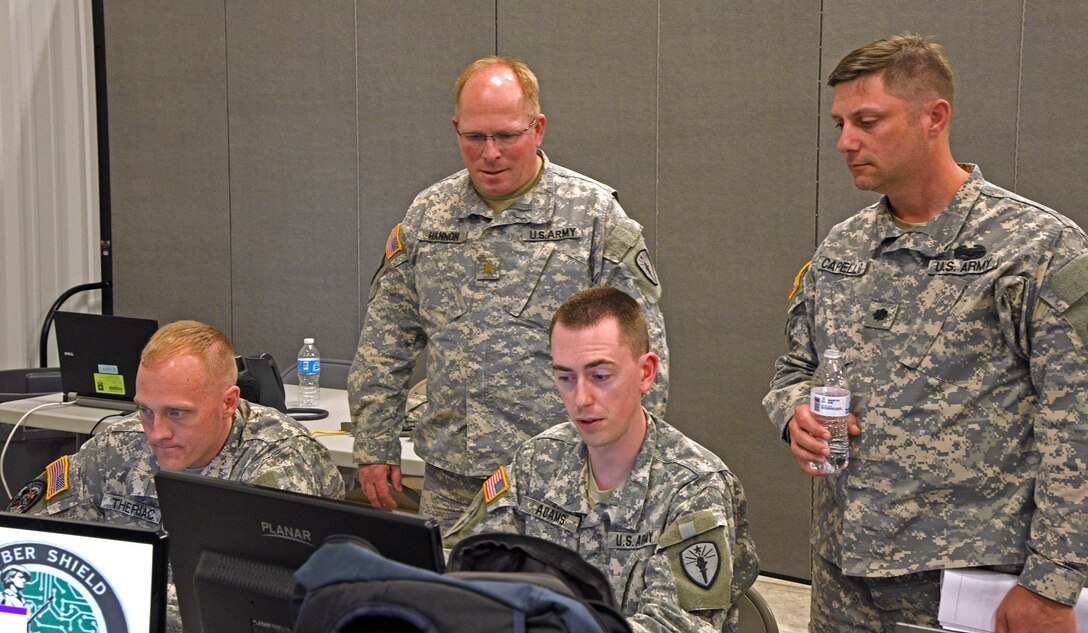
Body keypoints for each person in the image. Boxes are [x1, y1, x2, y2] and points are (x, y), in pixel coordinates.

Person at [763, 34, 1088, 633]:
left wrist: (1053, 581)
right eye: (839, 123)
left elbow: (1078, 422)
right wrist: (795, 414)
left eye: (867, 121)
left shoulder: (1035, 249)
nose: (845, 143)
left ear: (934, 117)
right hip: (843, 576)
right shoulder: (841, 248)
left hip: (967, 582)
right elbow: (794, 369)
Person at [350, 56, 669, 531]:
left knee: (557, 600)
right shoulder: (429, 215)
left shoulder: (593, 215)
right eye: (474, 137)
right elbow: (386, 339)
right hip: (453, 477)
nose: (490, 153)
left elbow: (644, 351)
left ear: (538, 129)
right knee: (454, 599)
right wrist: (374, 442)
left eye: (506, 136)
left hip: (565, 475)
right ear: (456, 129)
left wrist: (632, 465)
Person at [446, 286, 757, 633]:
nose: (581, 398)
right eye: (565, 377)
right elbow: (468, 570)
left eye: (600, 376)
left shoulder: (693, 487)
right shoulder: (536, 461)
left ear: (646, 372)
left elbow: (674, 626)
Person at [7, 319, 345, 523]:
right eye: (145, 410)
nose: (157, 433)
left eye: (177, 413)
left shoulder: (278, 465)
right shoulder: (117, 446)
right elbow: (29, 539)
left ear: (228, 402)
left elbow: (277, 601)